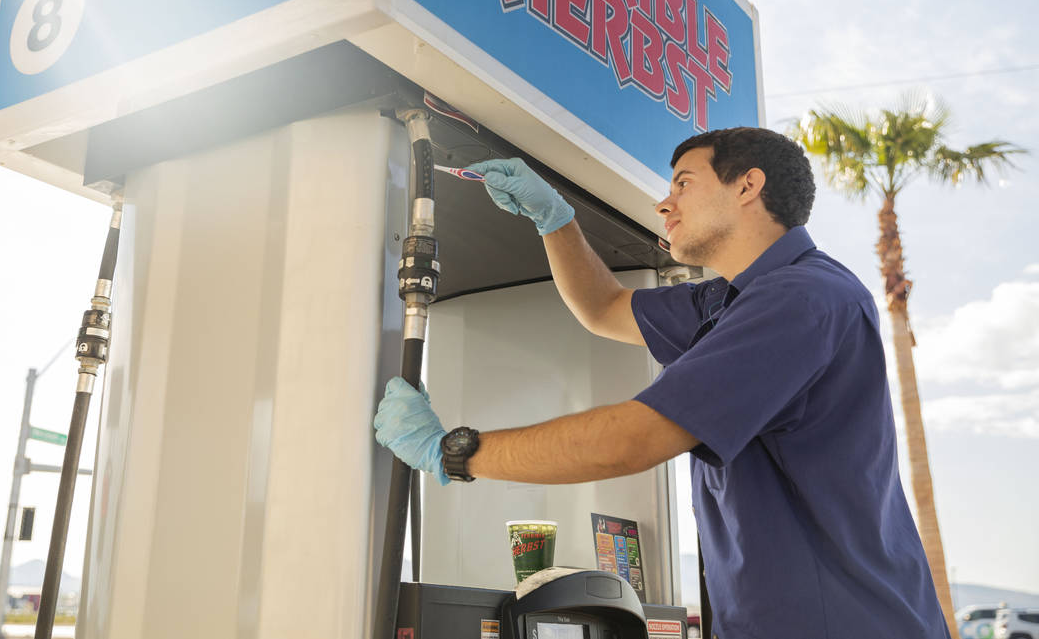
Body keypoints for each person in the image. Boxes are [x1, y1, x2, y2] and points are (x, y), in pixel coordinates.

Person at [374, 127, 950, 639]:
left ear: (748, 186)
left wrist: (451, 453)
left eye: (682, 184)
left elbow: (632, 440)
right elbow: (604, 307)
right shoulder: (730, 299)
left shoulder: (802, 298)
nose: (663, 203)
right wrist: (555, 218)